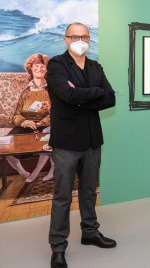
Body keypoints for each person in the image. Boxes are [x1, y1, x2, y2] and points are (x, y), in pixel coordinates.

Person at [46, 22, 116, 268]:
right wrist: (93, 93)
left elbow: (110, 98)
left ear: (89, 39)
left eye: (84, 36)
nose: (80, 40)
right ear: (65, 40)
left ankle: (90, 233)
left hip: (92, 141)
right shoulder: (56, 65)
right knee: (62, 196)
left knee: (89, 192)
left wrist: (82, 96)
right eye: (74, 36)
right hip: (66, 142)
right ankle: (58, 245)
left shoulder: (95, 66)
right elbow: (66, 95)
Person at [7, 53, 54, 182]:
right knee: (7, 143)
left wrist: (41, 123)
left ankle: (44, 170)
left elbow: (57, 113)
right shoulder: (25, 92)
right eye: (36, 65)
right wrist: (25, 122)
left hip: (45, 125)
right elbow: (16, 116)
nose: (39, 68)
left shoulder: (52, 90)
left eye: (43, 66)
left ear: (47, 69)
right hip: (26, 125)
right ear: (31, 68)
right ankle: (22, 172)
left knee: (48, 139)